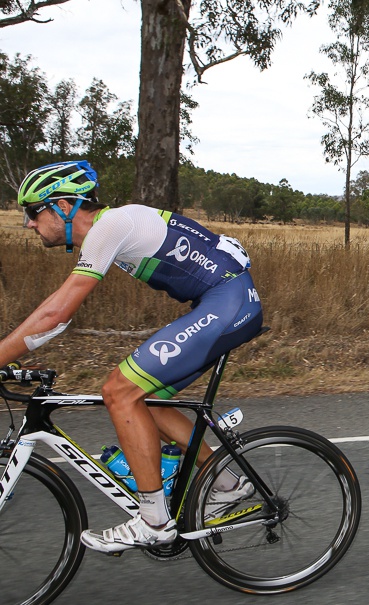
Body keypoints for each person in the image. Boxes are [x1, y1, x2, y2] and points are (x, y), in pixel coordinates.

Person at [1, 161, 264, 552]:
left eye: (33, 212)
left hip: (229, 301)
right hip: (224, 299)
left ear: (64, 206)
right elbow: (55, 321)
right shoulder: (114, 226)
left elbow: (55, 316)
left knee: (120, 391)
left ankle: (154, 521)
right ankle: (225, 483)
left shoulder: (110, 226)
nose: (28, 223)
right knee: (148, 399)